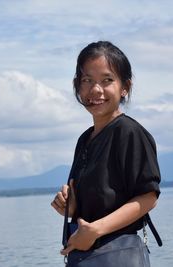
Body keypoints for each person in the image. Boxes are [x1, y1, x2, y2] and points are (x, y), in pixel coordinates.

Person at [51, 41, 161, 267]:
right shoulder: (85, 139)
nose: (95, 90)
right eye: (87, 80)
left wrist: (95, 230)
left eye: (107, 80)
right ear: (77, 86)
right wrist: (70, 205)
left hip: (116, 256)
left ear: (125, 87)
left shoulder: (129, 132)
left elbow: (148, 197)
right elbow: (100, 199)